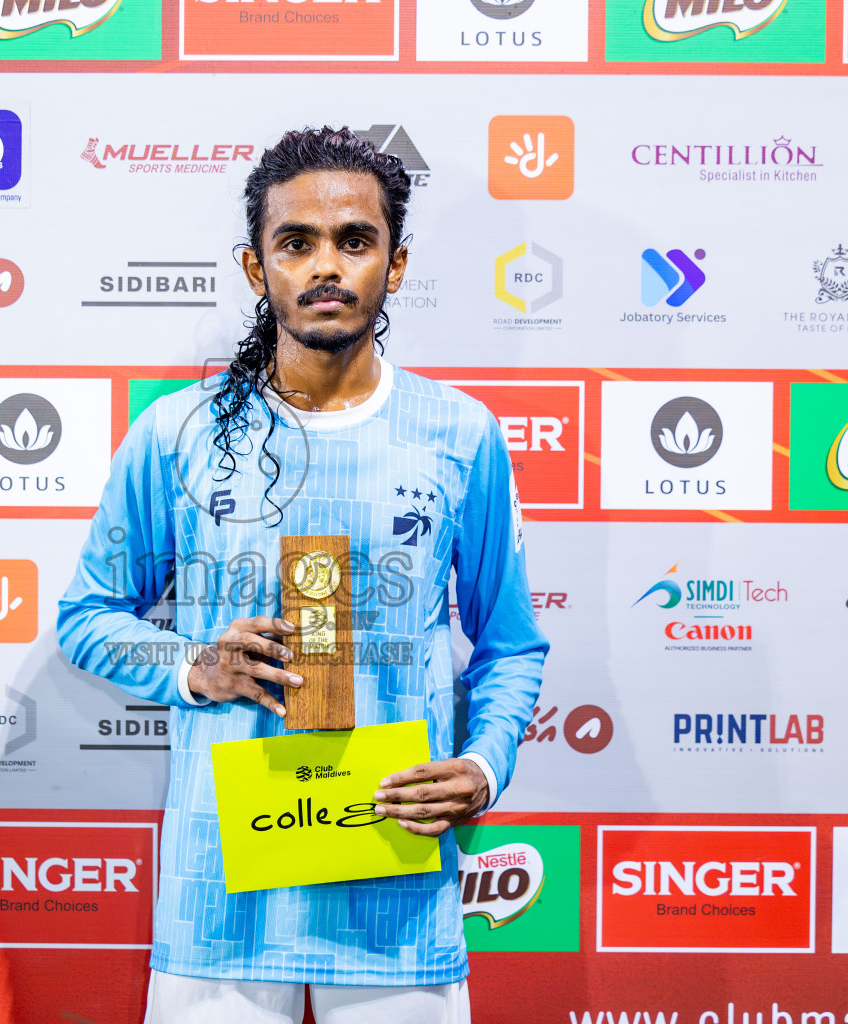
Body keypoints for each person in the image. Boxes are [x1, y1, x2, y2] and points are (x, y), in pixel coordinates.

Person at [57, 126, 548, 1024]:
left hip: (397, 887)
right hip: (223, 901)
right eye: (298, 243)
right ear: (256, 269)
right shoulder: (179, 432)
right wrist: (190, 666)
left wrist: (482, 763)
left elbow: (511, 646)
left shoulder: (461, 433)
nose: (328, 265)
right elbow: (88, 614)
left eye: (355, 240)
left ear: (394, 266)